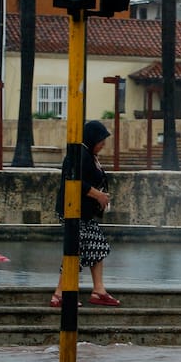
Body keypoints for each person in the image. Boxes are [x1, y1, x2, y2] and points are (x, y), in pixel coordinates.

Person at [51, 120, 120, 307]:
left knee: (98, 247)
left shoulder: (89, 155)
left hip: (85, 213)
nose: (103, 145)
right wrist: (97, 195)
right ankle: (60, 293)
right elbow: (71, 181)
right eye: (101, 140)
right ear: (92, 138)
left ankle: (99, 290)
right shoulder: (79, 155)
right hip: (73, 212)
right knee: (75, 250)